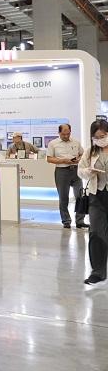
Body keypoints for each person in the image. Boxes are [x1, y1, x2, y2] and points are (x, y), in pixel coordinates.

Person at [78, 119, 108, 284]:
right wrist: (88, 172)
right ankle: (98, 272)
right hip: (97, 196)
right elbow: (80, 171)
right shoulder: (90, 152)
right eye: (96, 137)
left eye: (103, 136)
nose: (100, 139)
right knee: (96, 232)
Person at [47, 124, 87, 229]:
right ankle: (66, 221)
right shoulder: (53, 143)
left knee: (80, 195)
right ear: (59, 133)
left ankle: (80, 221)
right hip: (62, 172)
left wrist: (79, 159)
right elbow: (49, 159)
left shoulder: (76, 142)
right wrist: (63, 161)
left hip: (76, 170)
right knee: (63, 197)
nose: (66, 136)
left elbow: (83, 154)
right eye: (63, 134)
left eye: (68, 134)